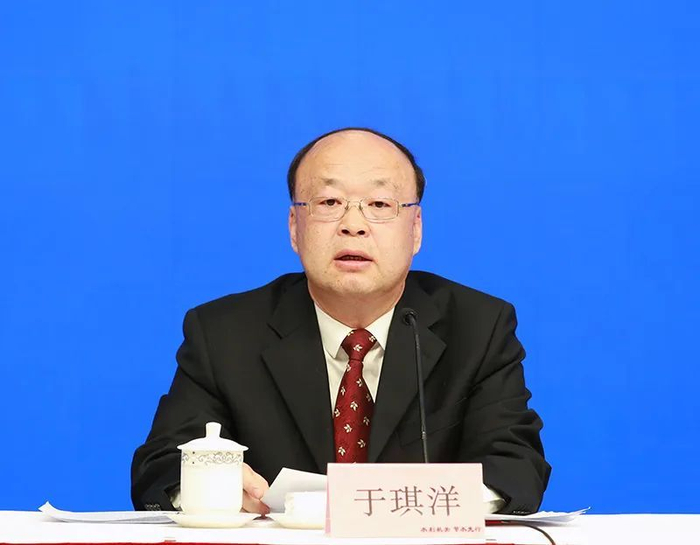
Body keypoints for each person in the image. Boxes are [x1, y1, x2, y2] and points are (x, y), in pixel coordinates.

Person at [131, 127, 551, 515]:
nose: (353, 225)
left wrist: (423, 509)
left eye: (380, 205)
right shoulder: (224, 333)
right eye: (329, 203)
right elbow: (160, 468)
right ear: (294, 227)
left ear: (416, 229)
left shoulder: (478, 327)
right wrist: (210, 487)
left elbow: (516, 468)